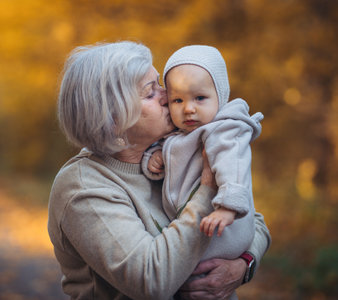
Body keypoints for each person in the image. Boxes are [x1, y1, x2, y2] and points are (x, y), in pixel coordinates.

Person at [47, 41, 271, 300]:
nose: (168, 95)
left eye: (160, 84)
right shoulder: (84, 186)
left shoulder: (172, 150)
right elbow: (150, 282)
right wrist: (207, 189)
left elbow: (254, 221)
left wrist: (244, 265)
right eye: (150, 92)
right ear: (113, 116)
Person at [141, 45, 264, 292]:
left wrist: (228, 208)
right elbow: (166, 149)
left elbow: (234, 166)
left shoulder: (223, 130)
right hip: (195, 230)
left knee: (200, 285)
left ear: (220, 95)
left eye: (200, 98)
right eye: (178, 100)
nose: (188, 108)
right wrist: (152, 159)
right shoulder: (181, 133)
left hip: (222, 228)